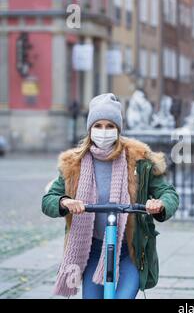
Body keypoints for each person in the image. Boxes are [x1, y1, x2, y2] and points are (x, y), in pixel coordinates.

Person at [42, 93, 179, 299]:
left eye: (110, 126)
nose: (104, 132)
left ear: (118, 129)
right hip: (92, 250)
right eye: (98, 126)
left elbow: (168, 193)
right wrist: (65, 202)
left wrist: (159, 204)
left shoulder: (139, 161)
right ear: (90, 129)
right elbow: (49, 200)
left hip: (130, 250)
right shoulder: (74, 164)